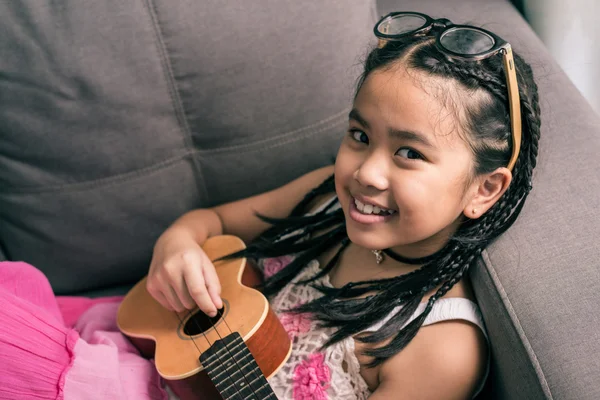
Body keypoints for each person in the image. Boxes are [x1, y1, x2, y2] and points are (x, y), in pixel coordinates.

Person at [0, 11, 540, 400]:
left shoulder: (439, 348)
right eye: (358, 134)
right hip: (140, 359)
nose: (366, 172)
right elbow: (209, 222)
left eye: (408, 152)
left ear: (484, 189)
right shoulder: (331, 196)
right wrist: (176, 248)